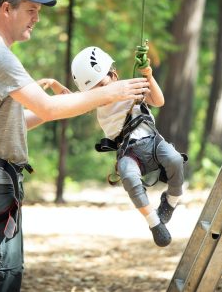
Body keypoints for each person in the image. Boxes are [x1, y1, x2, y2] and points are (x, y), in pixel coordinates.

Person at [0, 0, 150, 292]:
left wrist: (56, 106)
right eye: (31, 10)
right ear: (6, 9)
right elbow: (49, 109)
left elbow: (19, 121)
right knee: (2, 277)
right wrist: (113, 93)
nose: (37, 18)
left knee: (1, 275)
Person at [71, 46, 186, 247]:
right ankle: (154, 222)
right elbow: (69, 101)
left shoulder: (130, 87)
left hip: (152, 141)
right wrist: (55, 86)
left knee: (175, 159)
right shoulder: (94, 103)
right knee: (128, 175)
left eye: (103, 84)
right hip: (129, 151)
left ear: (113, 75)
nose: (102, 91)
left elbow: (158, 101)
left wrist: (148, 75)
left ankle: (171, 201)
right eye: (95, 89)